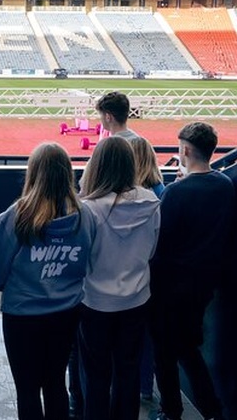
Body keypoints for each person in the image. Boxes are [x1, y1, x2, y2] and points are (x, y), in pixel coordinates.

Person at [0, 143, 96, 420]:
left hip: (21, 315)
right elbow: (87, 264)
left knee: (27, 390)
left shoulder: (13, 217)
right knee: (55, 384)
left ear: (33, 173)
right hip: (67, 312)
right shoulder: (85, 216)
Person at [149, 122, 235, 420]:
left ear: (184, 150)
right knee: (188, 349)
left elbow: (158, 239)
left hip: (168, 287)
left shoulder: (175, 192)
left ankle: (171, 411)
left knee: (164, 354)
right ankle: (212, 410)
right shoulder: (225, 185)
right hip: (203, 285)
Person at [78, 137, 160, 420]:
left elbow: (82, 256)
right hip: (136, 300)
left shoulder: (87, 209)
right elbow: (151, 250)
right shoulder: (152, 201)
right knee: (128, 373)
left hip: (95, 303)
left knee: (96, 376)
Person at [129, 136, 165, 402]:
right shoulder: (162, 192)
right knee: (147, 336)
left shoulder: (124, 196)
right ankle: (143, 386)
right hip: (152, 276)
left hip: (132, 276)